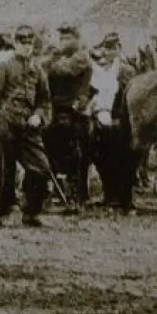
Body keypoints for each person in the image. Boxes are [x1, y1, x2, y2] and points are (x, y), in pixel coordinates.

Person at [0, 24, 53, 227]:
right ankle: (6, 212)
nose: (26, 46)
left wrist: (39, 116)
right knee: (5, 169)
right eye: (22, 42)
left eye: (29, 43)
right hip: (6, 124)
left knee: (42, 167)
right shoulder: (4, 67)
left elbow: (45, 100)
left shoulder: (38, 71)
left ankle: (31, 211)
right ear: (15, 44)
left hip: (28, 126)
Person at [41, 22, 93, 213]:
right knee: (48, 148)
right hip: (54, 107)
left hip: (73, 109)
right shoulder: (57, 54)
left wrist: (52, 57)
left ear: (77, 39)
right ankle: (50, 191)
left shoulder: (81, 57)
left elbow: (62, 69)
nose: (63, 41)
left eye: (68, 38)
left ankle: (74, 194)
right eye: (61, 38)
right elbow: (41, 67)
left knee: (74, 153)